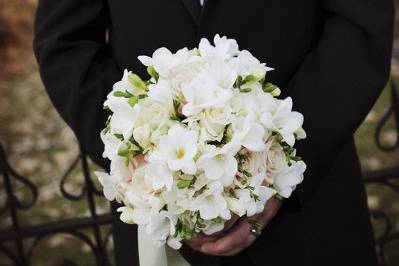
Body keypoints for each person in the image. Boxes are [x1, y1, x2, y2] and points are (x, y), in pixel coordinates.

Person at [33, 0, 394, 265]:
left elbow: (359, 24)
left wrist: (275, 171)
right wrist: (146, 166)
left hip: (312, 216)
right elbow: (66, 45)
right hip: (161, 227)